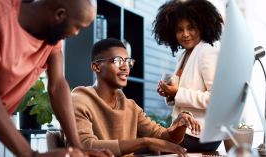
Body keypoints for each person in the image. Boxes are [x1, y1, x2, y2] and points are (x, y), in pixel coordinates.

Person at [0, 0, 113, 156]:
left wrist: (77, 147)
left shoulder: (49, 35)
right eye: (77, 27)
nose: (75, 33)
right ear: (59, 14)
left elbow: (57, 85)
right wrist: (30, 154)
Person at [62, 38, 201, 157]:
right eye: (117, 61)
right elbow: (85, 146)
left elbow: (164, 139)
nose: (125, 67)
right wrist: (145, 142)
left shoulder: (130, 107)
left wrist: (181, 123)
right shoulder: (78, 100)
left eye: (128, 61)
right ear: (97, 67)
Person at [153, 0, 224, 151]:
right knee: (147, 145)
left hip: (202, 135)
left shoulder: (208, 53)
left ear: (202, 27)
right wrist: (169, 93)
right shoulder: (183, 56)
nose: (185, 34)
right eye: (179, 30)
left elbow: (216, 100)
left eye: (190, 28)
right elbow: (182, 95)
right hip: (184, 130)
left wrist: (177, 92)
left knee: (148, 148)